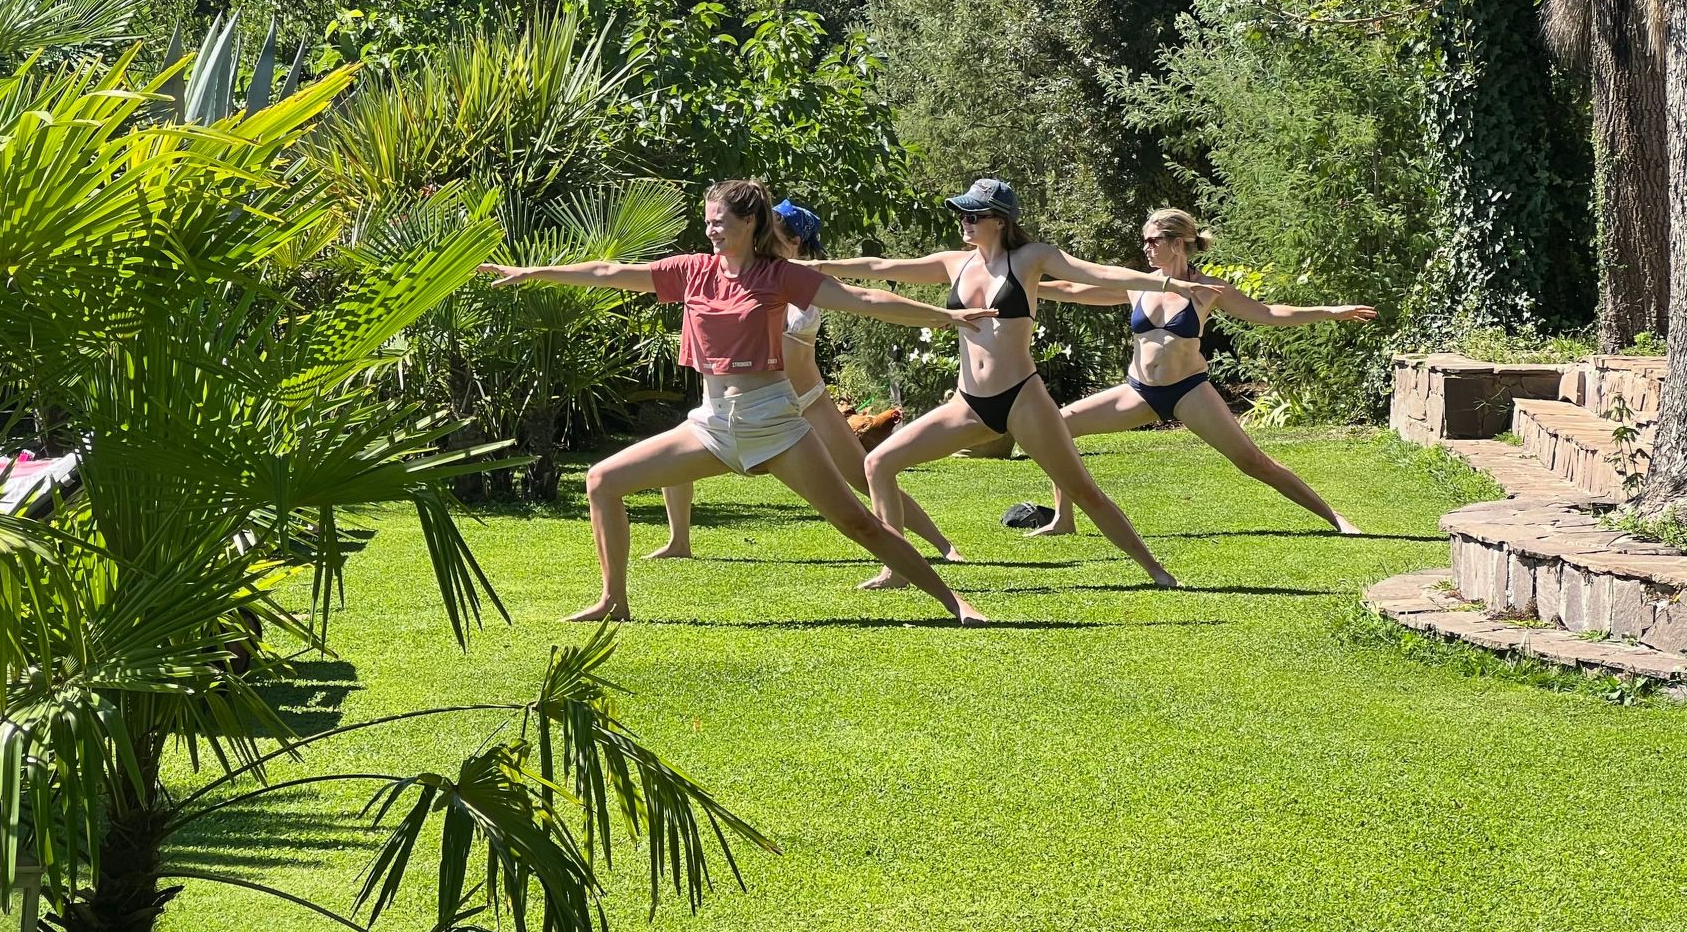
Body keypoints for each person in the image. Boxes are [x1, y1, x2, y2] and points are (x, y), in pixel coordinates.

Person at [478, 178, 993, 625]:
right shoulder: (693, 270)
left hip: (773, 421)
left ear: (749, 222)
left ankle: (955, 601)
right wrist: (533, 272)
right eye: (707, 222)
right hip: (711, 424)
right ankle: (614, 600)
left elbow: (862, 299)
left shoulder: (778, 275)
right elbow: (609, 273)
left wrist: (942, 317)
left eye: (720, 221)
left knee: (858, 522)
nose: (711, 230)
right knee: (602, 481)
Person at [810, 177, 1215, 590]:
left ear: (1000, 221)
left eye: (974, 215)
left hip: (1022, 398)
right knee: (878, 463)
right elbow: (881, 267)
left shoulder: (1030, 258)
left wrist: (1167, 283)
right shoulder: (955, 262)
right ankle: (896, 570)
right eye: (962, 214)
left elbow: (1099, 274)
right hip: (968, 403)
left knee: (1084, 490)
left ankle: (1157, 571)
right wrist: (818, 268)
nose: (965, 222)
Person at [1018, 207, 1378, 537]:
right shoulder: (1138, 284)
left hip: (1189, 392)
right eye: (1144, 240)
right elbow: (1073, 290)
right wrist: (1020, 285)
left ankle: (1335, 518)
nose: (1146, 247)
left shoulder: (1207, 289)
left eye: (1153, 241)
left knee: (1253, 462)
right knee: (1060, 426)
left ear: (1177, 244)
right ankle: (1064, 520)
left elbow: (1268, 313)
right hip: (1138, 391)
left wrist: (1330, 311)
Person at [652, 199, 963, 567]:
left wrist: (942, 316)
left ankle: (942, 545)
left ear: (795, 241)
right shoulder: (754, 272)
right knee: (673, 457)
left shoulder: (797, 280)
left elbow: (865, 298)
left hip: (808, 401)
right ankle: (679, 540)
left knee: (863, 476)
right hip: (760, 404)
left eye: (773, 231)